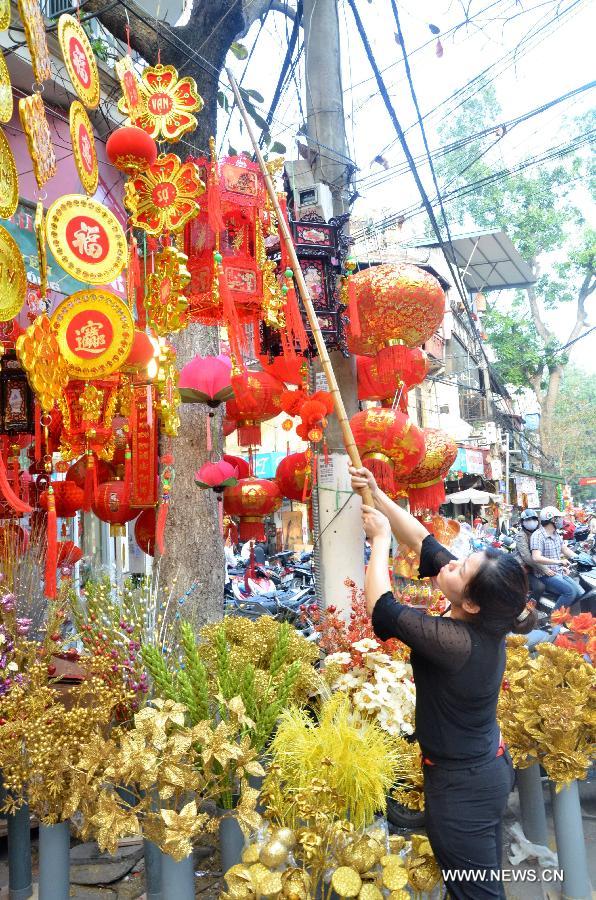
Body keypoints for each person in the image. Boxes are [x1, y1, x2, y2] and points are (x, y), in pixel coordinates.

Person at [350, 465, 537, 900]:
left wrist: (378, 542)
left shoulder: (458, 643)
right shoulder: (481, 611)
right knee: (481, 886)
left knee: (476, 893)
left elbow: (382, 608)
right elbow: (421, 541)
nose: (449, 563)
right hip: (483, 769)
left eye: (460, 567)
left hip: (463, 787)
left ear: (469, 602)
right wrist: (379, 495)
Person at [530, 506, 582, 610]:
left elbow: (564, 549)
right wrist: (559, 562)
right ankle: (554, 620)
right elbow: (536, 557)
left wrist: (580, 558)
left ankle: (567, 618)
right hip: (545, 574)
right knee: (570, 592)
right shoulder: (538, 535)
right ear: (552, 519)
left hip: (558, 572)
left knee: (580, 592)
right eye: (559, 518)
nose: (561, 520)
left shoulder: (556, 534)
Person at [513, 509, 553, 597]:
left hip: (538, 567)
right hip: (526, 568)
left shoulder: (540, 533)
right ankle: (530, 608)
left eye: (533, 519)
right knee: (540, 587)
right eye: (527, 520)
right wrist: (544, 568)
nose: (531, 521)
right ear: (523, 522)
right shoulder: (521, 536)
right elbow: (527, 557)